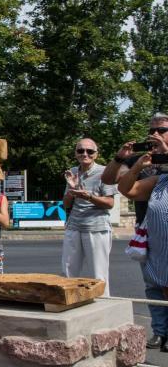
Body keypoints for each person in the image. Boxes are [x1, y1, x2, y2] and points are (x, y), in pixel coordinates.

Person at [103, 116, 168, 351]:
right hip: (149, 229)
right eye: (152, 129)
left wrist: (165, 152)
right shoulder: (141, 158)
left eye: (162, 129)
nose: (156, 133)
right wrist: (123, 157)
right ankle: (160, 332)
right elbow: (111, 180)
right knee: (153, 284)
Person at [117, 151, 168, 352]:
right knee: (158, 290)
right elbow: (126, 189)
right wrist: (138, 167)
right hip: (160, 251)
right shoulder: (160, 180)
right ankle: (161, 331)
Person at [61, 138, 117, 296]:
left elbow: (109, 203)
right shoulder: (73, 171)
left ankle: (103, 309)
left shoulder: (105, 172)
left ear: (96, 154)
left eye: (90, 151)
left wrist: (89, 197)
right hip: (74, 226)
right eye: (80, 151)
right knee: (68, 272)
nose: (85, 154)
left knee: (98, 275)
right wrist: (72, 189)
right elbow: (66, 204)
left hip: (97, 227)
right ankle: (70, 305)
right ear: (76, 154)